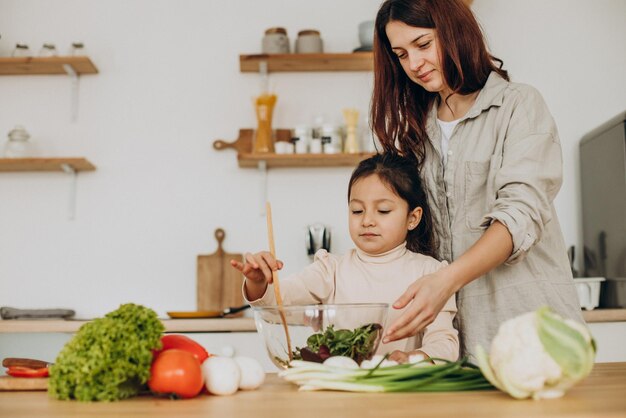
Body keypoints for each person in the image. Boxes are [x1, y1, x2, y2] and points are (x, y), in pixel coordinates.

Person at [371, 0, 584, 360]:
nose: (414, 64)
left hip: (531, 333)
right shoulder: (416, 132)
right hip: (454, 348)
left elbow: (519, 214)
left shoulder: (519, 105)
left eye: (423, 45)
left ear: (455, 31)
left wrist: (446, 281)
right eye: (401, 54)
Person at [231, 152, 459, 362]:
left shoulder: (431, 273)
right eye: (357, 211)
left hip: (403, 392)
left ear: (413, 218)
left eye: (383, 211)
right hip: (339, 392)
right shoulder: (330, 269)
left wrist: (413, 358)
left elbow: (444, 344)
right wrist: (258, 282)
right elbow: (276, 306)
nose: (367, 220)